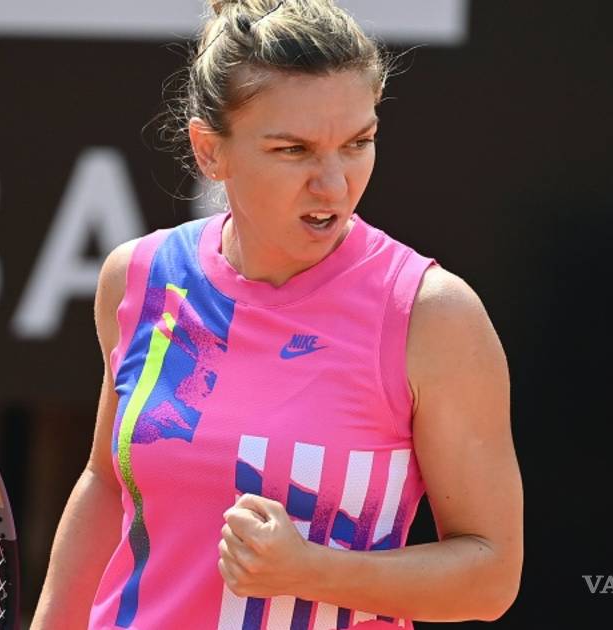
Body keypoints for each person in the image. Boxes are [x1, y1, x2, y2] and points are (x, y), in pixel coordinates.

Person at [31, 1, 522, 627]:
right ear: (210, 151)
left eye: (358, 143)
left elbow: (490, 575)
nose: (334, 184)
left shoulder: (433, 315)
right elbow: (106, 483)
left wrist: (310, 571)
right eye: (294, 150)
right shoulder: (140, 276)